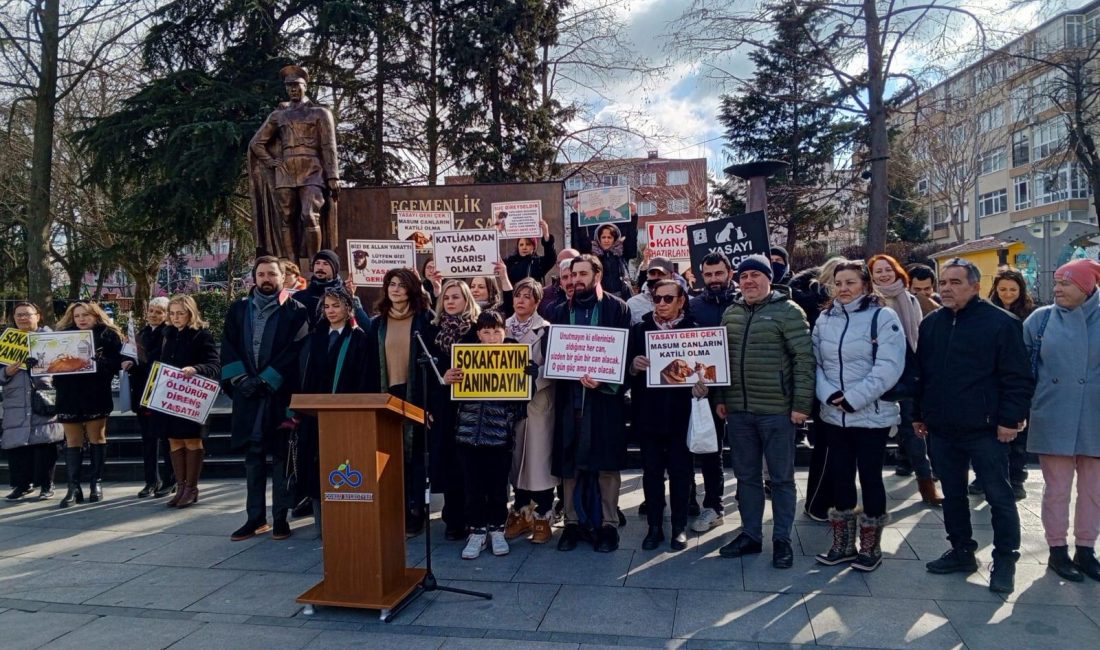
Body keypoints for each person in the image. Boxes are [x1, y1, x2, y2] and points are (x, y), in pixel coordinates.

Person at [914, 258, 1034, 594]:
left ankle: (1005, 558)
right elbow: (922, 372)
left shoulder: (1001, 323)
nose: (946, 288)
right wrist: (918, 413)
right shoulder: (932, 323)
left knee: (999, 496)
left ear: (975, 286)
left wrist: (1010, 420)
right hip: (942, 429)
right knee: (953, 495)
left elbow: (1018, 377)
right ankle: (961, 550)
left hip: (987, 430)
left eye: (955, 282)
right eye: (944, 282)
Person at [714, 254, 814, 569]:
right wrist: (720, 396)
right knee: (746, 477)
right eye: (743, 277)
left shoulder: (788, 311)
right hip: (739, 410)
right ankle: (751, 535)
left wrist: (801, 405)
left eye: (756, 275)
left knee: (782, 479)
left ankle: (782, 539)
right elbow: (720, 359)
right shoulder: (730, 313)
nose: (749, 281)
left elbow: (804, 359)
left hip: (778, 411)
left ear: (769, 279)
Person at [811, 261, 905, 572]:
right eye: (839, 283)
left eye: (851, 282)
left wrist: (854, 398)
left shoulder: (883, 316)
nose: (844, 288)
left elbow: (889, 367)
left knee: (870, 477)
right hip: (834, 415)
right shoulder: (825, 319)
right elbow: (816, 364)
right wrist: (830, 395)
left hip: (871, 415)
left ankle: (870, 546)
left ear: (864, 284)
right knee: (840, 477)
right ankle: (842, 543)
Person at [221, 256, 310, 541]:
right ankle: (254, 518)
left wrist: (268, 378)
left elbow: (297, 351)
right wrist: (241, 379)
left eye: (272, 274)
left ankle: (281, 518)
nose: (266, 279)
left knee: (282, 459)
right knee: (253, 458)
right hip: (247, 396)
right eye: (261, 274)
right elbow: (229, 345)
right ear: (254, 278)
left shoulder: (296, 311)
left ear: (283, 277)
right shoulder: (239, 310)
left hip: (279, 394)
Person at [1023, 259, 1100, 582]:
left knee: (1094, 490)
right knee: (1056, 489)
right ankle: (1057, 550)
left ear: (1087, 287)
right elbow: (1021, 369)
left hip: (1095, 416)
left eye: (1066, 283)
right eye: (1055, 282)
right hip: (1054, 412)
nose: (1057, 289)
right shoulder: (1040, 320)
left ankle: (1086, 549)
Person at [551, 254, 632, 553]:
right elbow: (553, 355)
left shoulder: (617, 308)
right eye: (573, 275)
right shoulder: (559, 312)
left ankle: (609, 524)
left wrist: (605, 380)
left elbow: (625, 354)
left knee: (607, 464)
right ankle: (571, 523)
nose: (576, 280)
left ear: (597, 275)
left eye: (583, 273)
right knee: (569, 465)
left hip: (604, 401)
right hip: (569, 401)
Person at [628, 279, 709, 551]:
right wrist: (634, 367)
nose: (661, 304)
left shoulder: (695, 332)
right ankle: (654, 526)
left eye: (667, 299)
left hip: (681, 417)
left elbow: (707, 371)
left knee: (680, 472)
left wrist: (703, 386)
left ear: (681, 301)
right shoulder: (640, 330)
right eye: (657, 298)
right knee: (651, 473)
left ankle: (679, 527)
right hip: (648, 415)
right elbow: (625, 376)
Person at [443, 310, 531, 559]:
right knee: (472, 485)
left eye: (496, 331)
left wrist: (528, 379)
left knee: (497, 486)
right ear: (478, 334)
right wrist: (447, 378)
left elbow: (524, 400)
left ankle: (497, 529)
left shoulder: (515, 356)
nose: (492, 337)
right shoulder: (464, 356)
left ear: (504, 332)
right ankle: (477, 531)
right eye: (486, 332)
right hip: (467, 433)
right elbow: (449, 398)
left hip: (499, 435)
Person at [364, 268, 437, 537]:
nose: (395, 289)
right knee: (391, 456)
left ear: (412, 289)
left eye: (401, 285)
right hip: (387, 394)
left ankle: (416, 512)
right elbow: (369, 365)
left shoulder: (425, 320)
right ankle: (397, 509)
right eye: (391, 284)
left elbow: (433, 363)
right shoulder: (376, 324)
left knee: (416, 456)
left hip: (416, 394)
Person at [295, 288, 371, 534]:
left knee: (344, 464)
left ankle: (347, 520)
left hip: (347, 415)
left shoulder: (359, 339)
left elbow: (363, 379)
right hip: (316, 415)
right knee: (317, 465)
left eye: (336, 306)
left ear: (348, 308)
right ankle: (321, 523)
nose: (331, 311)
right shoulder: (316, 337)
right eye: (327, 306)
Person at [870, 254, 941, 506]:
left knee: (913, 432)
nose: (883, 274)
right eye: (877, 271)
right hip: (875, 373)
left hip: (907, 371)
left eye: (887, 269)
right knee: (872, 434)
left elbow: (919, 334)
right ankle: (870, 489)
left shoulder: (910, 299)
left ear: (897, 271)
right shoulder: (868, 300)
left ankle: (926, 484)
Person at [248, 65, 340, 259]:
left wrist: (333, 176)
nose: (292, 89)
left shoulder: (320, 113)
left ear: (305, 86)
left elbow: (328, 146)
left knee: (309, 214)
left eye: (296, 85)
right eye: (289, 86)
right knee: (286, 217)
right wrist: (271, 162)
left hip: (312, 168)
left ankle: (316, 266)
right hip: (286, 170)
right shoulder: (278, 115)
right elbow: (256, 144)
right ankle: (291, 267)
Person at [53, 301, 124, 508]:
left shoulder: (108, 335)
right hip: (68, 394)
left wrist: (101, 363)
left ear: (96, 315)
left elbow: (117, 363)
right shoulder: (62, 336)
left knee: (97, 438)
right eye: (77, 316)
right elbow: (51, 364)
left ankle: (96, 483)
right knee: (72, 441)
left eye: (86, 315)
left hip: (95, 393)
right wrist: (36, 365)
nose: (82, 319)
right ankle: (73, 488)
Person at [503, 279, 557, 545]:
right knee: (516, 460)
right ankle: (521, 512)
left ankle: (544, 515)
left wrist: (538, 375)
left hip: (537, 404)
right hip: (509, 405)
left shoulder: (546, 330)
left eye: (528, 296)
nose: (521, 300)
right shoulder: (502, 328)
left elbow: (556, 366)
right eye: (517, 295)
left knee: (538, 461)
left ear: (537, 302)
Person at [686, 252, 737, 533]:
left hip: (740, 388)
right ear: (701, 275)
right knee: (708, 448)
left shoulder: (743, 302)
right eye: (708, 274)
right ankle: (707, 504)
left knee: (739, 451)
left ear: (729, 272)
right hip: (703, 389)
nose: (714, 279)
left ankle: (720, 504)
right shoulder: (694, 306)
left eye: (719, 273)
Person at [795, 256, 847, 522]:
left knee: (833, 448)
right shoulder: (822, 312)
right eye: (840, 282)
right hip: (827, 389)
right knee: (828, 446)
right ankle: (819, 503)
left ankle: (827, 502)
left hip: (848, 391)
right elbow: (812, 353)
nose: (846, 287)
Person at [157, 295, 220, 508]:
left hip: (192, 398)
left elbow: (214, 365)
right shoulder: (167, 334)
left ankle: (191, 488)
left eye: (180, 313)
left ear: (190, 313)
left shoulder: (202, 335)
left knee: (192, 440)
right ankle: (181, 486)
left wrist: (196, 369)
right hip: (171, 397)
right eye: (172, 313)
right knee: (174, 440)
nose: (175, 317)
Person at [980, 269, 1037, 500]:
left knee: (1018, 433)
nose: (1007, 294)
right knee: (987, 434)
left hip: (1019, 378)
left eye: (1013, 289)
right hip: (991, 380)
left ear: (1021, 290)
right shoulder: (986, 312)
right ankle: (984, 477)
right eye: (1003, 289)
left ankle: (1016, 478)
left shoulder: (1030, 314)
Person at [1, 302, 63, 501]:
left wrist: (40, 369)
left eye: (27, 314)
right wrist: (5, 372)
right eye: (18, 315)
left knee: (45, 444)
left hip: (43, 399)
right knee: (17, 446)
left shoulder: (50, 340)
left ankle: (47, 484)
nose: (23, 318)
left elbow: (64, 369)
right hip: (15, 402)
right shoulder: (6, 342)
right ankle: (21, 485)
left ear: (38, 316)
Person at [122, 297, 175, 499]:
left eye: (159, 311)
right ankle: (151, 480)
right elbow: (131, 357)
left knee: (166, 439)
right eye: (151, 310)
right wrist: (127, 360)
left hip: (160, 393)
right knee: (148, 441)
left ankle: (170, 479)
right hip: (141, 392)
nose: (153, 315)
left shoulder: (168, 334)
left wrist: (137, 359)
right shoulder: (141, 333)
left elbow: (157, 359)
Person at [591, 223, 636, 301]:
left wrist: (633, 216)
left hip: (622, 297)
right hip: (601, 298)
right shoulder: (594, 258)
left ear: (614, 239)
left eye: (609, 237)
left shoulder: (621, 254)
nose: (606, 240)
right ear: (599, 239)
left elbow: (632, 237)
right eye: (603, 237)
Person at [504, 219, 557, 285]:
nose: (524, 247)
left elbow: (551, 258)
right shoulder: (510, 262)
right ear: (518, 247)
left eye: (528, 244)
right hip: (515, 294)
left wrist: (546, 234)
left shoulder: (539, 262)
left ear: (534, 247)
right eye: (521, 245)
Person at [626, 256, 674, 325]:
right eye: (652, 273)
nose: (656, 277)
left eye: (661, 274)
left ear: (672, 276)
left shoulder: (684, 302)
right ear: (647, 275)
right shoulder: (632, 304)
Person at [539, 250, 580, 317]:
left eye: (573, 275)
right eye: (560, 263)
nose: (570, 281)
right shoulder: (546, 299)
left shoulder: (598, 303)